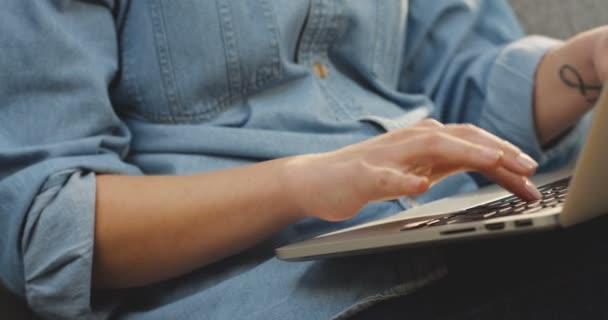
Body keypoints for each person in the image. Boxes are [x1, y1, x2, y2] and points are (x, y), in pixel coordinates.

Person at [0, 0, 606, 318]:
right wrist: (305, 183)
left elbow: (457, 91)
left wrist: (580, 69)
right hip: (279, 295)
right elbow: (53, 229)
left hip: (460, 242)